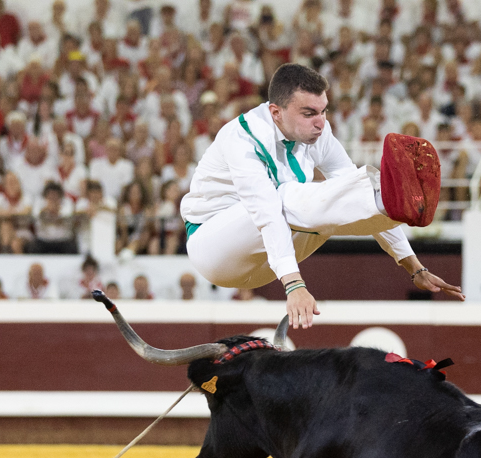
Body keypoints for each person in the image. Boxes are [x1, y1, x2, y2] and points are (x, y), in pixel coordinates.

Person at [179, 63, 461, 329]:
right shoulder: (242, 139)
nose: (321, 123)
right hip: (214, 250)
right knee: (286, 198)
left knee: (335, 206)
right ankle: (386, 196)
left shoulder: (318, 134)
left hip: (268, 260)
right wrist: (294, 285)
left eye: (324, 111)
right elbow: (266, 212)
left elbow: (347, 189)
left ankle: (389, 203)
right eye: (309, 113)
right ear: (276, 112)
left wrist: (414, 266)